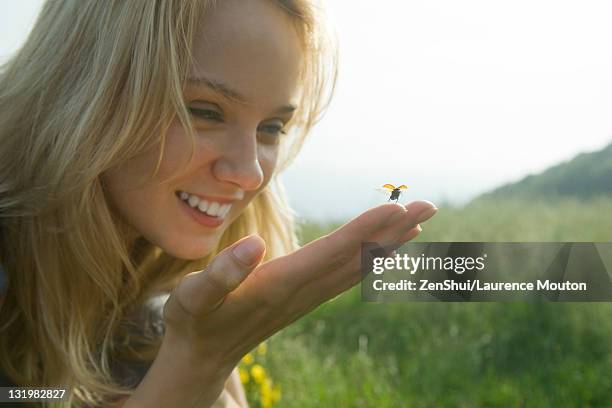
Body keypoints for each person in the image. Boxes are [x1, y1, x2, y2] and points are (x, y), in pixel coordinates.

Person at [0, 0, 438, 406]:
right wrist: (197, 363)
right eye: (205, 111)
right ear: (85, 89)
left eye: (271, 127)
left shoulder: (152, 307)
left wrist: (211, 363)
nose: (250, 173)